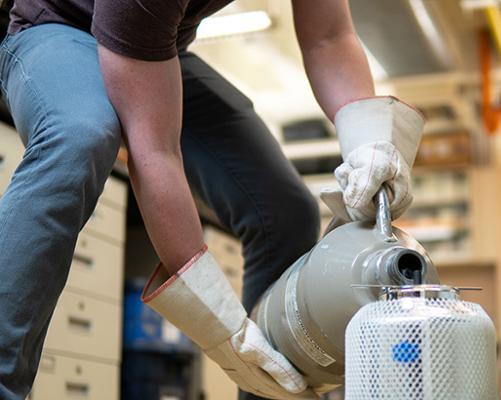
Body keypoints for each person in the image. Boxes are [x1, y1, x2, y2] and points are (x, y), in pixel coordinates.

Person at [0, 0, 424, 399]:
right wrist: (224, 329)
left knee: (286, 209)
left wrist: (369, 140)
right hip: (58, 27)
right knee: (80, 137)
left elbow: (328, 36)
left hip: (156, 47)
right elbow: (156, 154)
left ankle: (273, 391)